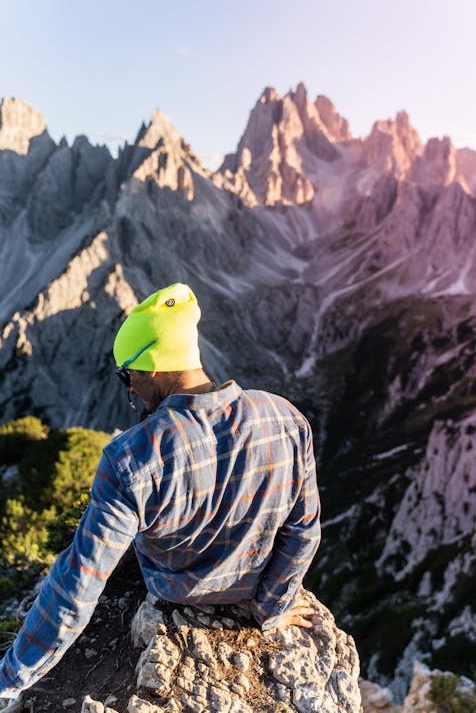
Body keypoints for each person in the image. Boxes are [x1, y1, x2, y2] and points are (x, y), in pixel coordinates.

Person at [0, 283, 321, 699]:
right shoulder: (286, 418)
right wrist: (272, 606)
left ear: (150, 370)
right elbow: (304, 531)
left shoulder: (131, 457)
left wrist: (9, 678)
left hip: (176, 589)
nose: (129, 388)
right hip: (251, 590)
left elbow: (79, 582)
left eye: (126, 375)